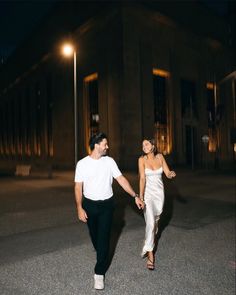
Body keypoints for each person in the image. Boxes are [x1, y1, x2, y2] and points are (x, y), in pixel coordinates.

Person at [74, 132, 144, 290]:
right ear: (97, 145)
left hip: (107, 205)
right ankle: (102, 254)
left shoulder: (109, 161)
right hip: (90, 205)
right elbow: (78, 187)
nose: (107, 146)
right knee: (95, 238)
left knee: (104, 238)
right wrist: (79, 207)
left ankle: (99, 274)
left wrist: (135, 196)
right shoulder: (82, 164)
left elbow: (121, 179)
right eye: (105, 144)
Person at [138, 138, 176, 270]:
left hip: (159, 194)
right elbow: (142, 178)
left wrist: (171, 174)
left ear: (153, 146)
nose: (144, 146)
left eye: (146, 144)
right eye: (143, 145)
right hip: (148, 195)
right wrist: (141, 197)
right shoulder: (141, 160)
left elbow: (167, 172)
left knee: (155, 224)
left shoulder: (160, 157)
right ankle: (150, 254)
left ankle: (149, 240)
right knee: (150, 223)